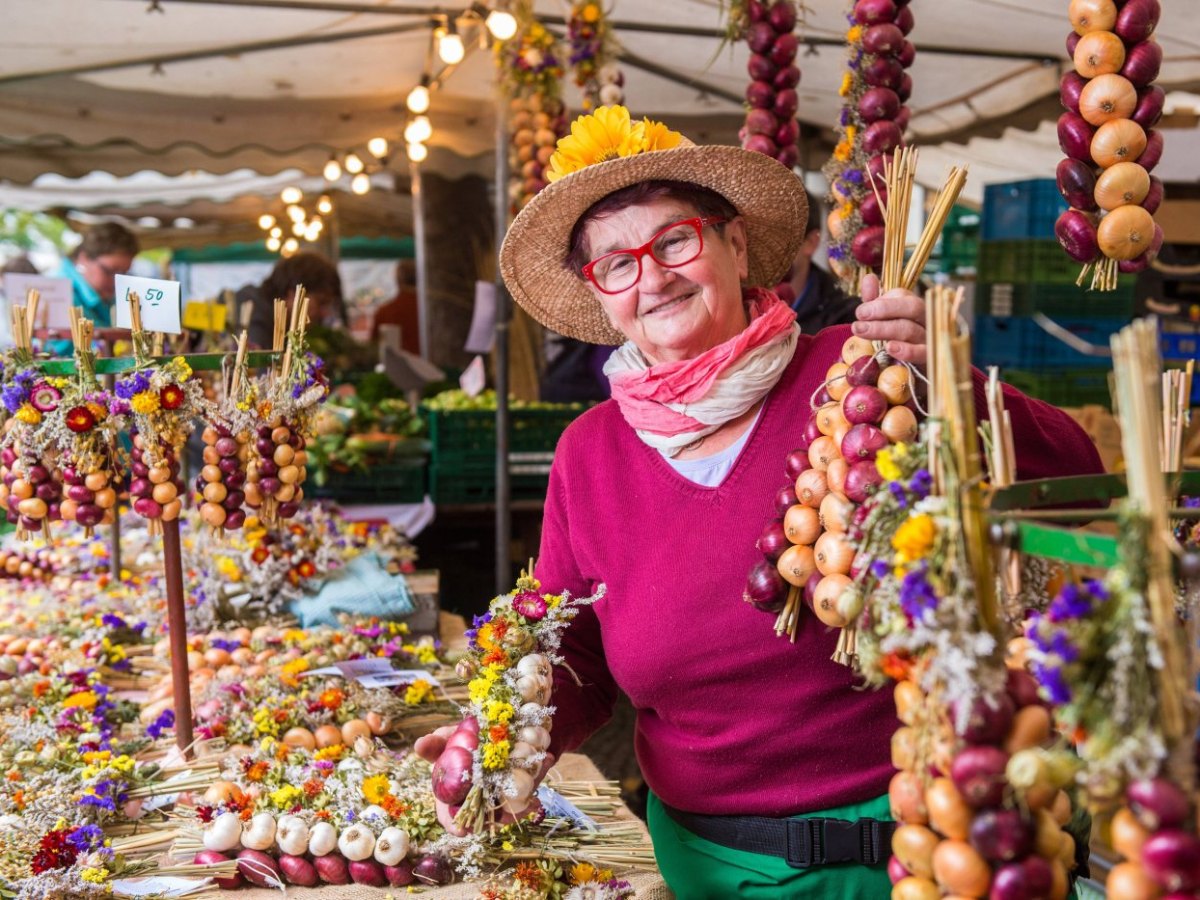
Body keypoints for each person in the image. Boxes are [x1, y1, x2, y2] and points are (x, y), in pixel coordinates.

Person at [418, 107, 1102, 897]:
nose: (654, 277)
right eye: (617, 264)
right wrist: (509, 735)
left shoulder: (863, 375)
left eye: (675, 241)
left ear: (733, 244)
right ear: (599, 294)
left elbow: (1069, 476)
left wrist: (951, 383)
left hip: (917, 853)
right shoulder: (590, 452)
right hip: (702, 866)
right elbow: (573, 649)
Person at [774, 188, 860, 334]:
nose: (766, 250)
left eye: (777, 236)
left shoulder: (844, 316)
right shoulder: (743, 305)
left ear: (811, 242)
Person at [243, 251, 346, 349]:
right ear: (293, 293)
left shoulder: (274, 322)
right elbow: (260, 367)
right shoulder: (254, 318)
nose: (325, 313)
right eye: (321, 302)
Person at [58, 222, 139, 327]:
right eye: (109, 271)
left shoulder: (99, 292)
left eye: (124, 273)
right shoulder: (56, 293)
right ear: (84, 258)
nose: (117, 282)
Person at [371, 258, 421, 353]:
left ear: (397, 279)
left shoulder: (384, 312)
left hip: (395, 366)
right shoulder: (430, 311)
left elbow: (374, 348)